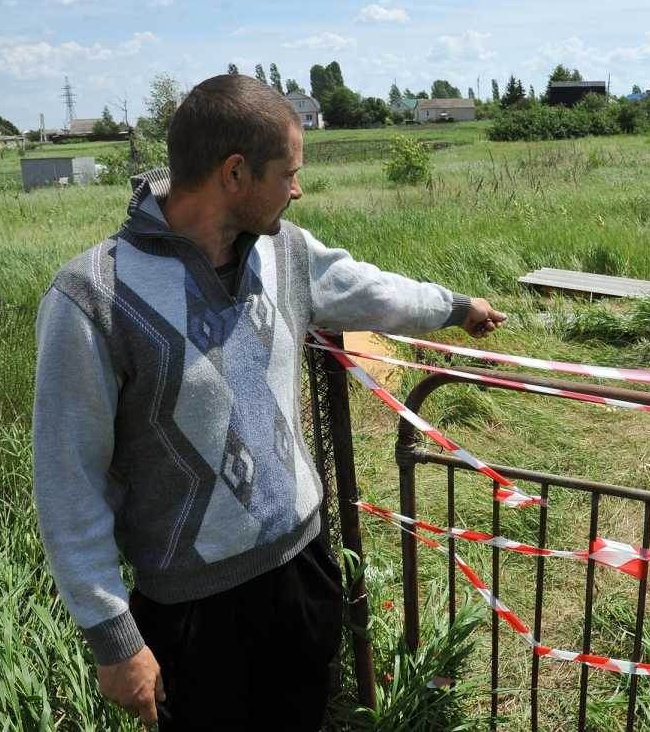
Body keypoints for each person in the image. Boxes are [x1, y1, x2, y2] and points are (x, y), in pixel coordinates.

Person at [32, 73, 506, 729]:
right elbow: (68, 479)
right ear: (234, 173)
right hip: (193, 608)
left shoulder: (286, 252)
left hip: (304, 565)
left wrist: (455, 307)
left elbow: (371, 290)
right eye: (288, 172)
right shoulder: (93, 299)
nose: (298, 188)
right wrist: (114, 637)